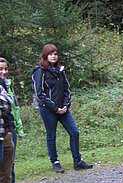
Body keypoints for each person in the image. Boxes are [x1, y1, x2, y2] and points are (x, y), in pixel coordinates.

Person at [32, 44, 92, 173]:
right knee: (51, 136)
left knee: (74, 132)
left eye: (55, 54)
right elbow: (39, 94)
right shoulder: (40, 71)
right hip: (48, 109)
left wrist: (66, 105)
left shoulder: (60, 70)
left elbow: (66, 89)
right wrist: (55, 108)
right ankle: (55, 162)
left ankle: (77, 161)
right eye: (51, 54)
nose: (54, 56)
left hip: (62, 109)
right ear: (45, 56)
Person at [0, 58, 28, 183]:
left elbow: (14, 109)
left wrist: (17, 129)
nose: (4, 72)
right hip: (3, 129)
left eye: (6, 69)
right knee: (2, 163)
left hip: (11, 127)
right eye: (0, 69)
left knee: (10, 162)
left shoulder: (8, 85)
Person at [0, 75, 18, 183]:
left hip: (4, 133)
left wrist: (10, 130)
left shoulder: (3, 84)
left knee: (5, 176)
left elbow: (8, 103)